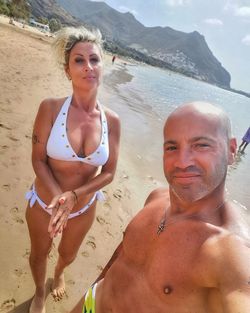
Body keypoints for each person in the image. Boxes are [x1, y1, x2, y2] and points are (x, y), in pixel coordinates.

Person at [71, 101, 250, 313]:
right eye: (172, 147)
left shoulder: (230, 251)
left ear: (231, 151)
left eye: (201, 145)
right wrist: (91, 291)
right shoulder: (156, 198)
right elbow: (122, 255)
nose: (182, 162)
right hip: (93, 302)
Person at [25, 26, 120, 313]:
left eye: (94, 59)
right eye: (79, 60)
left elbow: (109, 172)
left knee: (68, 253)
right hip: (44, 202)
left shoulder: (112, 121)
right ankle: (40, 291)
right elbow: (38, 160)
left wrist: (75, 197)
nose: (88, 66)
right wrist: (58, 198)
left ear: (103, 66)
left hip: (82, 207)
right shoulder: (50, 109)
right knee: (39, 253)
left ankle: (60, 273)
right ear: (68, 70)